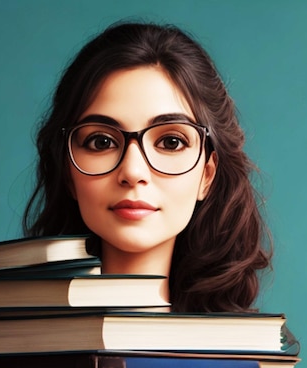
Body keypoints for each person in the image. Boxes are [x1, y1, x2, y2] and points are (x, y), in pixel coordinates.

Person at [22, 21, 272, 312]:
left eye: (171, 142)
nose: (133, 172)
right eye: (101, 142)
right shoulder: (17, 347)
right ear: (68, 172)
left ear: (207, 174)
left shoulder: (246, 354)